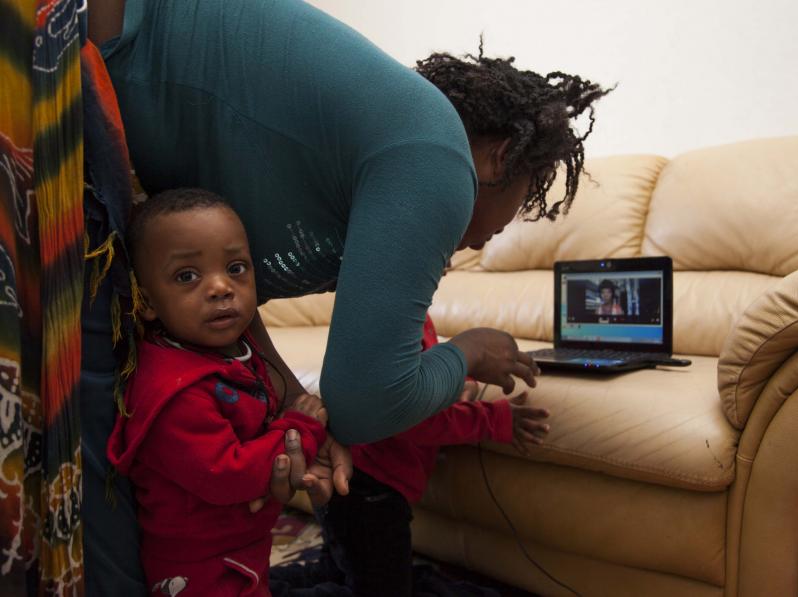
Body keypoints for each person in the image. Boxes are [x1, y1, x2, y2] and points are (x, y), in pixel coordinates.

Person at [84, 1, 612, 593]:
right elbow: (365, 402)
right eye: (516, 197)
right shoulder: (439, 160)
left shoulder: (365, 151)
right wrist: (468, 353)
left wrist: (284, 390)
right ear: (497, 153)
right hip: (84, 66)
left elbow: (222, 282)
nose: (488, 236)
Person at [107, 188, 339, 596]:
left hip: (240, 545)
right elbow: (228, 474)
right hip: (200, 567)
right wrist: (300, 430)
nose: (220, 287)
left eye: (235, 268)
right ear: (146, 302)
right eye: (187, 276)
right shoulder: (174, 393)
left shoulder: (231, 351)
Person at [269, 314, 551, 597]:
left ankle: (253, 585)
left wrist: (454, 381)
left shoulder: (403, 307)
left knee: (344, 566)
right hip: (371, 489)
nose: (445, 267)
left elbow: (421, 372)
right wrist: (494, 419)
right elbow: (410, 417)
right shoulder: (394, 317)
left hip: (352, 473)